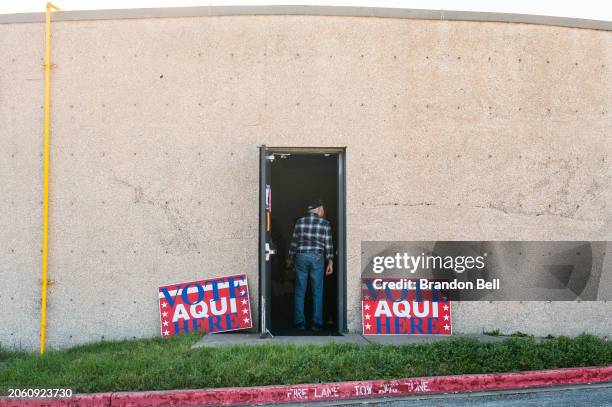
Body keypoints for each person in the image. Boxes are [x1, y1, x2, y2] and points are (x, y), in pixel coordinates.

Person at [287, 199, 334, 331]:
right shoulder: (325, 223)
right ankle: (316, 323)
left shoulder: (300, 222)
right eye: (322, 209)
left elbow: (294, 242)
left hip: (301, 256)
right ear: (318, 209)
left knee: (300, 291)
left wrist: (290, 258)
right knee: (317, 291)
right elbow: (328, 244)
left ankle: (299, 322)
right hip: (318, 257)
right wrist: (330, 261)